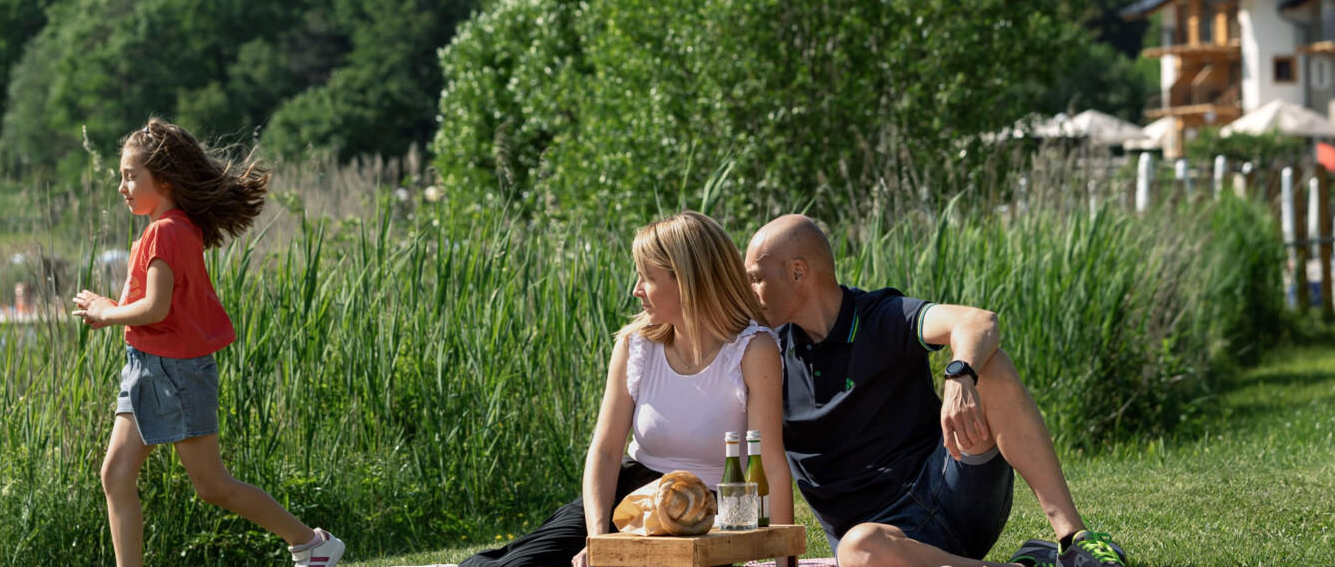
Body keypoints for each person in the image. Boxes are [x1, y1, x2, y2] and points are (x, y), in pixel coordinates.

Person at [744, 214, 1128, 567]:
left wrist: (960, 375)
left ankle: (1074, 540)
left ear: (798, 272)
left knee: (989, 364)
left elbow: (979, 321)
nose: (749, 292)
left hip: (955, 491)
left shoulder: (882, 315)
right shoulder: (767, 355)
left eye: (756, 278)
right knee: (858, 548)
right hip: (884, 544)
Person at [435, 210, 792, 567]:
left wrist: (783, 561)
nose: (636, 290)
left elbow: (772, 465)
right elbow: (605, 452)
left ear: (687, 281)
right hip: (631, 492)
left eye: (647, 277)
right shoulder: (636, 346)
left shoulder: (752, 350)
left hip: (702, 512)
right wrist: (599, 539)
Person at [72, 118, 345, 567]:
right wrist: (108, 305)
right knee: (116, 476)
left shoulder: (167, 230)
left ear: (163, 179)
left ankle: (312, 544)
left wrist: (106, 312)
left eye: (129, 175)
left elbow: (155, 309)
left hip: (174, 371)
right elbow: (147, 303)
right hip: (145, 366)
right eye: (120, 176)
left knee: (212, 486)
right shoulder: (164, 228)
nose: (121, 186)